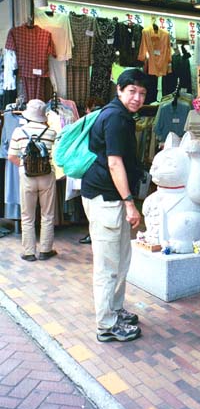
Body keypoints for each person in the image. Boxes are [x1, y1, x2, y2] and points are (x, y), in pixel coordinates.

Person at [81, 69, 148, 342]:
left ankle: (115, 310)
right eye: (131, 91)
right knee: (108, 265)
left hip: (112, 199)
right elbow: (114, 162)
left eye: (142, 93)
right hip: (105, 199)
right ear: (119, 90)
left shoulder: (120, 115)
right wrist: (130, 203)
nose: (137, 97)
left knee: (120, 259)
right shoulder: (116, 118)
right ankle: (106, 325)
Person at [8, 99, 57, 261]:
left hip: (27, 177)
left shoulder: (18, 132)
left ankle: (29, 252)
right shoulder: (51, 133)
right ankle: (45, 250)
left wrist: (24, 166)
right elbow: (55, 156)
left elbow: (12, 156)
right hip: (46, 176)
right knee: (47, 215)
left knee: (27, 216)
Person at [78, 97, 105, 245]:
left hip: (88, 169)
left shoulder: (87, 123)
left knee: (92, 208)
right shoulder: (106, 122)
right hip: (99, 170)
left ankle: (92, 234)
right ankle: (93, 235)